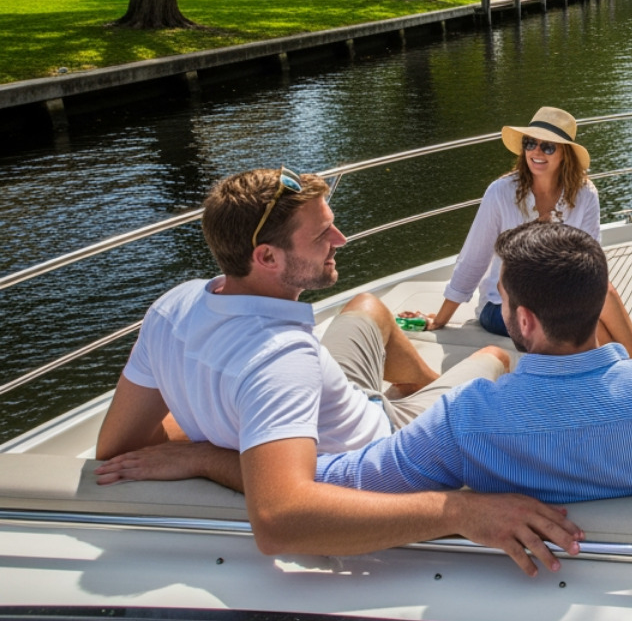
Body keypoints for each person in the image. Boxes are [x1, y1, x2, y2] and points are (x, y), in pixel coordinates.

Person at [93, 167, 581, 573]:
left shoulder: (171, 307)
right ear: (266, 256)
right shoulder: (280, 361)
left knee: (368, 306)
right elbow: (280, 520)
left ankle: (429, 399)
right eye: (322, 233)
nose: (341, 239)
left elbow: (118, 444)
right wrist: (460, 509)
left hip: (340, 394)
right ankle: (432, 419)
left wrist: (214, 432)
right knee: (494, 358)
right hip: (383, 439)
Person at [317, 221, 632, 502]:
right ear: (599, 305)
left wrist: (244, 460)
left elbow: (345, 479)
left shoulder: (464, 419)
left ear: (524, 322)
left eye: (503, 298)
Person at [425, 106, 632, 359]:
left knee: (604, 290)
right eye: (530, 143)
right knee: (587, 323)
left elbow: (590, 263)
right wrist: (440, 320)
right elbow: (473, 259)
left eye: (548, 147)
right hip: (504, 306)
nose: (536, 152)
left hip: (562, 296)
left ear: (566, 155)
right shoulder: (501, 193)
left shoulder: (585, 194)